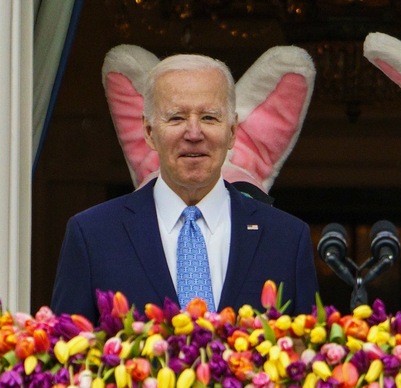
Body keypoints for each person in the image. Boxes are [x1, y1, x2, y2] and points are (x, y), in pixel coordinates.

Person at [51, 53, 318, 321]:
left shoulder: (286, 239)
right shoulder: (93, 236)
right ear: (149, 131)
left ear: (233, 131)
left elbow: (304, 354)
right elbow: (65, 350)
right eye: (177, 118)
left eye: (209, 118)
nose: (193, 133)